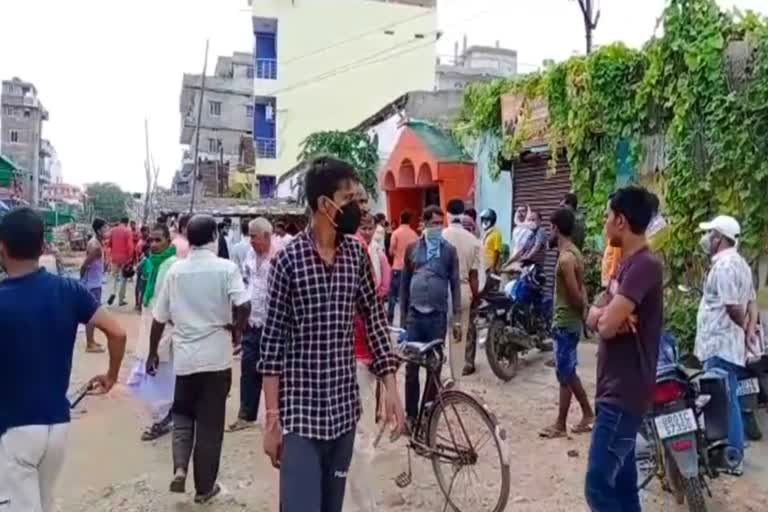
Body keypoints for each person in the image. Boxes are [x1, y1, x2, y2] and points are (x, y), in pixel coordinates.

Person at [257, 156, 404, 512]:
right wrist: (272, 422)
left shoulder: (356, 255)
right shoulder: (287, 262)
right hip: (300, 416)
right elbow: (272, 347)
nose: (359, 208)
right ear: (325, 204)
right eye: (349, 199)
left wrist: (391, 388)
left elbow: (375, 322)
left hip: (342, 412)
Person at [0, 208, 127, 512]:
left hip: (13, 429)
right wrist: (111, 375)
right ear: (43, 246)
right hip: (57, 424)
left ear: (1, 247)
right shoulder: (69, 290)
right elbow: (118, 333)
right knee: (43, 504)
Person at [147, 215, 251, 504]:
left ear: (188, 239)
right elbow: (244, 304)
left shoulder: (176, 271)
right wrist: (236, 328)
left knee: (182, 415)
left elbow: (159, 318)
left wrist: (153, 352)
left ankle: (180, 467)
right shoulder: (226, 268)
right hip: (216, 359)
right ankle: (205, 489)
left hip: (185, 360)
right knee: (210, 424)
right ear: (214, 238)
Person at [584, 186, 663, 511]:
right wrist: (611, 313)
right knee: (624, 486)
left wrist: (608, 316)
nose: (604, 224)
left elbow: (603, 325)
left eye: (607, 217)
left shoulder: (645, 265)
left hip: (624, 393)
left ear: (620, 220)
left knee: (598, 487)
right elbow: (593, 315)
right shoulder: (624, 264)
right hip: (612, 390)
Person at [694, 215, 757, 475]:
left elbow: (733, 307)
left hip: (719, 343)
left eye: (710, 234)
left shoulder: (725, 266)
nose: (707, 239)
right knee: (727, 396)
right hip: (727, 344)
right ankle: (730, 450)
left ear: (719, 238)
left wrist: (745, 330)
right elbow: (752, 302)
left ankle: (732, 455)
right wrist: (750, 331)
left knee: (724, 400)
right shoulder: (740, 264)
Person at [348, 190, 392, 512]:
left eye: (365, 204)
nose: (364, 210)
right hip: (353, 356)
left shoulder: (360, 250)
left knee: (357, 440)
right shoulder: (357, 250)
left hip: (359, 354)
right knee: (356, 440)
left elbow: (373, 310)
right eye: (357, 201)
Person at [400, 206, 461, 425]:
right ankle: (411, 415)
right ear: (424, 224)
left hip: (437, 317)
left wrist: (457, 320)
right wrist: (403, 324)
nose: (437, 227)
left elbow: (455, 284)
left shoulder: (449, 251)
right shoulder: (412, 249)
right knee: (411, 367)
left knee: (434, 367)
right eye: (433, 223)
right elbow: (404, 287)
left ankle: (428, 412)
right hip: (415, 317)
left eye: (440, 223)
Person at [539, 208, 594, 439]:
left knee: (566, 372)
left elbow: (574, 293)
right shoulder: (575, 253)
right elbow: (582, 289)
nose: (548, 234)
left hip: (565, 323)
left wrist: (583, 312)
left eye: (549, 228)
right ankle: (570, 420)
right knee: (566, 372)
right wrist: (585, 313)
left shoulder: (565, 259)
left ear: (556, 229)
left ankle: (578, 417)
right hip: (569, 322)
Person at [128, 223, 178, 442]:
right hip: (150, 322)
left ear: (169, 240)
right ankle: (162, 416)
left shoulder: (174, 265)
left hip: (166, 326)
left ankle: (163, 418)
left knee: (162, 372)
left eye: (159, 240)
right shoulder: (149, 263)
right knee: (151, 372)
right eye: (151, 240)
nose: (154, 244)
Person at [228, 217, 276, 432]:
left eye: (253, 237)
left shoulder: (279, 256)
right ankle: (246, 415)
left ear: (266, 236)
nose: (251, 241)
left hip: (273, 325)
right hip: (252, 322)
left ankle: (279, 418)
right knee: (248, 369)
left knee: (276, 372)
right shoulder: (249, 255)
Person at [442, 199, 482, 378]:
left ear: (447, 214)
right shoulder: (473, 240)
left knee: (441, 336)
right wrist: (476, 298)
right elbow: (474, 276)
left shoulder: (441, 236)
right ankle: (456, 382)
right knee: (459, 338)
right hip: (463, 291)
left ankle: (441, 378)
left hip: (442, 291)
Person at [80, 218, 108, 353]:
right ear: (98, 230)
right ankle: (90, 344)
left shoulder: (96, 243)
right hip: (93, 284)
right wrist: (83, 280)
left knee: (92, 313)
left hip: (93, 282)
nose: (106, 231)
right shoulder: (96, 246)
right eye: (104, 229)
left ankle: (91, 340)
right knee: (92, 314)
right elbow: (85, 264)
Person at [388, 210, 419, 324]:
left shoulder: (395, 233)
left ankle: (389, 319)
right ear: (410, 220)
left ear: (401, 219)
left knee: (393, 295)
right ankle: (405, 321)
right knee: (406, 296)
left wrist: (397, 253)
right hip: (410, 269)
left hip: (397, 267)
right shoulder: (414, 234)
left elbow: (391, 251)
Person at [107, 216, 134, 306]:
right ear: (127, 223)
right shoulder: (128, 231)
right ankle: (121, 300)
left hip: (114, 257)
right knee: (123, 278)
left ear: (120, 221)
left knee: (113, 276)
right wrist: (130, 258)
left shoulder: (113, 230)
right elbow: (130, 247)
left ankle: (112, 292)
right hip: (124, 259)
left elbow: (109, 244)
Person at [480, 209, 502, 273]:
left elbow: (497, 252)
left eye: (486, 220)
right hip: (482, 265)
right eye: (483, 219)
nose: (484, 222)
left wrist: (493, 267)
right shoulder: (485, 233)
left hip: (489, 267)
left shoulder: (496, 233)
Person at [134, 225, 150, 311]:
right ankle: (137, 303)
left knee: (142, 287)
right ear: (142, 232)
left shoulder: (145, 242)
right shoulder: (140, 243)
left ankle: (140, 303)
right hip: (141, 268)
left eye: (148, 231)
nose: (147, 233)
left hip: (145, 269)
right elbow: (139, 256)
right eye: (146, 231)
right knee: (139, 286)